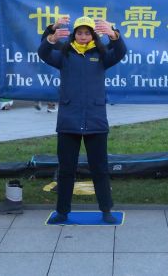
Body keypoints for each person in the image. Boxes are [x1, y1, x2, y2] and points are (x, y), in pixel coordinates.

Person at [38, 15, 126, 224]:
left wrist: (114, 34)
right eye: (79, 32)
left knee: (100, 169)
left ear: (93, 35)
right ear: (74, 35)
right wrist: (51, 35)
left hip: (96, 120)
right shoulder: (64, 55)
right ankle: (62, 211)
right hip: (68, 121)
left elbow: (120, 52)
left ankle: (106, 210)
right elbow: (43, 52)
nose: (83, 36)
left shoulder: (102, 55)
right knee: (66, 169)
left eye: (87, 33)